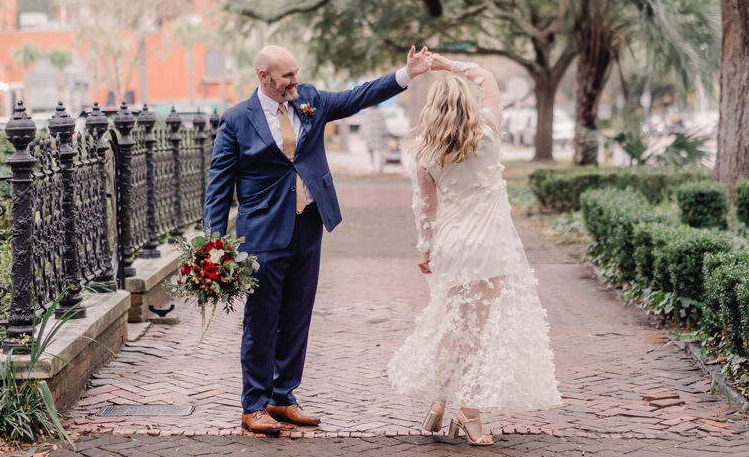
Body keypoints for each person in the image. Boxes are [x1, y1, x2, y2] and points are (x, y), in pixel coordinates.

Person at [203, 44, 431, 435]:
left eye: (296, 73)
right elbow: (219, 185)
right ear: (263, 77)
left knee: (297, 316)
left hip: (308, 226)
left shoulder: (308, 99)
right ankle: (253, 404)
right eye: (286, 75)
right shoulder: (237, 120)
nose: (295, 81)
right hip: (261, 233)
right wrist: (214, 245)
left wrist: (405, 74)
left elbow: (356, 97)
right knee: (262, 321)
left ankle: (283, 396)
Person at [387, 53, 560, 446]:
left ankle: (439, 401)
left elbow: (426, 210)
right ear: (468, 104)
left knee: (454, 324)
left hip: (451, 244)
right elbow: (486, 76)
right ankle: (469, 412)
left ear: (432, 110)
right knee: (476, 331)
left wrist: (425, 250)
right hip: (488, 244)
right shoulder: (489, 131)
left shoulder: (425, 154)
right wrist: (445, 63)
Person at [361, 106, 388, 173]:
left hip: (370, 134)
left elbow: (364, 125)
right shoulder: (381, 113)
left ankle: (372, 167)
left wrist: (362, 134)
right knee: (380, 151)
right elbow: (384, 125)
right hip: (379, 134)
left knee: (371, 152)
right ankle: (380, 167)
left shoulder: (368, 113)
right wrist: (386, 133)